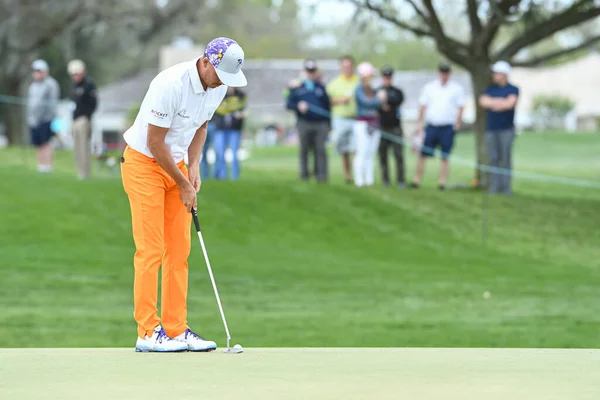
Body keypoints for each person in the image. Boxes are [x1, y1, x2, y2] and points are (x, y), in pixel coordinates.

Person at [120, 37, 247, 352]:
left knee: (179, 250)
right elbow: (154, 142)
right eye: (220, 74)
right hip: (143, 165)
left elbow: (201, 127)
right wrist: (184, 184)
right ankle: (148, 332)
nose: (223, 83)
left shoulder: (217, 87)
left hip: (175, 164)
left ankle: (176, 329)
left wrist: (194, 167)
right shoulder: (170, 84)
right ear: (206, 62)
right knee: (151, 250)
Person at [412, 63, 465, 190]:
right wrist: (419, 123)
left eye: (446, 72)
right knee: (423, 154)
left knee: (445, 156)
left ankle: (442, 182)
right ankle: (416, 180)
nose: (444, 75)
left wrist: (457, 123)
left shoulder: (456, 89)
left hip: (447, 126)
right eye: (442, 72)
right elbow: (423, 106)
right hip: (432, 125)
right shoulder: (430, 87)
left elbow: (460, 107)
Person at [286, 59, 331, 182]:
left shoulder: (321, 87)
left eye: (313, 71)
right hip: (304, 122)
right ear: (305, 71)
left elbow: (328, 107)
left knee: (320, 150)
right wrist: (298, 106)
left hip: (320, 123)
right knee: (304, 149)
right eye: (308, 71)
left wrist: (329, 125)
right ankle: (304, 175)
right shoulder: (297, 88)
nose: (310, 73)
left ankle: (321, 176)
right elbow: (289, 104)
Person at [479, 61, 520, 196]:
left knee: (505, 158)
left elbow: (509, 104)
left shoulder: (513, 89)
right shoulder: (490, 89)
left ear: (504, 75)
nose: (494, 76)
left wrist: (494, 103)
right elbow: (483, 102)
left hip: (507, 130)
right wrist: (501, 102)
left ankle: (506, 188)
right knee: (494, 158)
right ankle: (494, 187)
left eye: (497, 73)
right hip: (491, 129)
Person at [326, 55, 359, 184]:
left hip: (356, 118)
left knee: (356, 148)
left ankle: (358, 174)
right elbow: (327, 100)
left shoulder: (358, 82)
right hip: (340, 118)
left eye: (349, 66)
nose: (347, 69)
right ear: (341, 67)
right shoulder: (334, 83)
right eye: (344, 66)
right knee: (344, 149)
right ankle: (347, 175)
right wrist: (340, 100)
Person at [353, 62, 386, 188]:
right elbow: (367, 103)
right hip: (362, 124)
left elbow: (377, 105)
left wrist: (377, 101)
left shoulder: (373, 90)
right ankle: (359, 179)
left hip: (374, 123)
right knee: (362, 151)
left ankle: (369, 179)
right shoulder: (358, 89)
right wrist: (378, 99)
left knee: (371, 152)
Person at [27, 59, 60, 173]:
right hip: (34, 120)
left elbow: (52, 104)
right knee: (38, 144)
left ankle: (47, 166)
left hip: (46, 119)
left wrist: (48, 118)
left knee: (46, 143)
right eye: (35, 70)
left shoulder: (51, 84)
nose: (37, 73)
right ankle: (40, 166)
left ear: (45, 71)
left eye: (39, 70)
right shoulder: (33, 86)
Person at [68, 59, 98, 180]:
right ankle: (80, 171)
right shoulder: (74, 86)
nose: (76, 76)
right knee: (76, 146)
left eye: (78, 73)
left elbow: (94, 103)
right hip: (75, 119)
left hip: (84, 119)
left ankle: (85, 173)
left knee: (84, 147)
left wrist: (87, 116)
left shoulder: (89, 84)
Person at [377, 66, 405, 188]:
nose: (387, 79)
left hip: (395, 127)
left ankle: (401, 180)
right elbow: (375, 105)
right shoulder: (377, 91)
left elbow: (396, 101)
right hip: (382, 127)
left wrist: (385, 99)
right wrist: (382, 103)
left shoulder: (397, 92)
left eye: (389, 77)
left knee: (398, 155)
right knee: (382, 155)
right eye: (385, 77)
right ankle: (385, 180)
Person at [212, 86, 247, 180]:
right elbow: (216, 109)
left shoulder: (240, 95)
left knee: (235, 153)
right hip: (221, 128)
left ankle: (235, 177)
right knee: (220, 153)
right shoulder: (219, 94)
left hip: (235, 128)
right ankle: (221, 176)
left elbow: (242, 108)